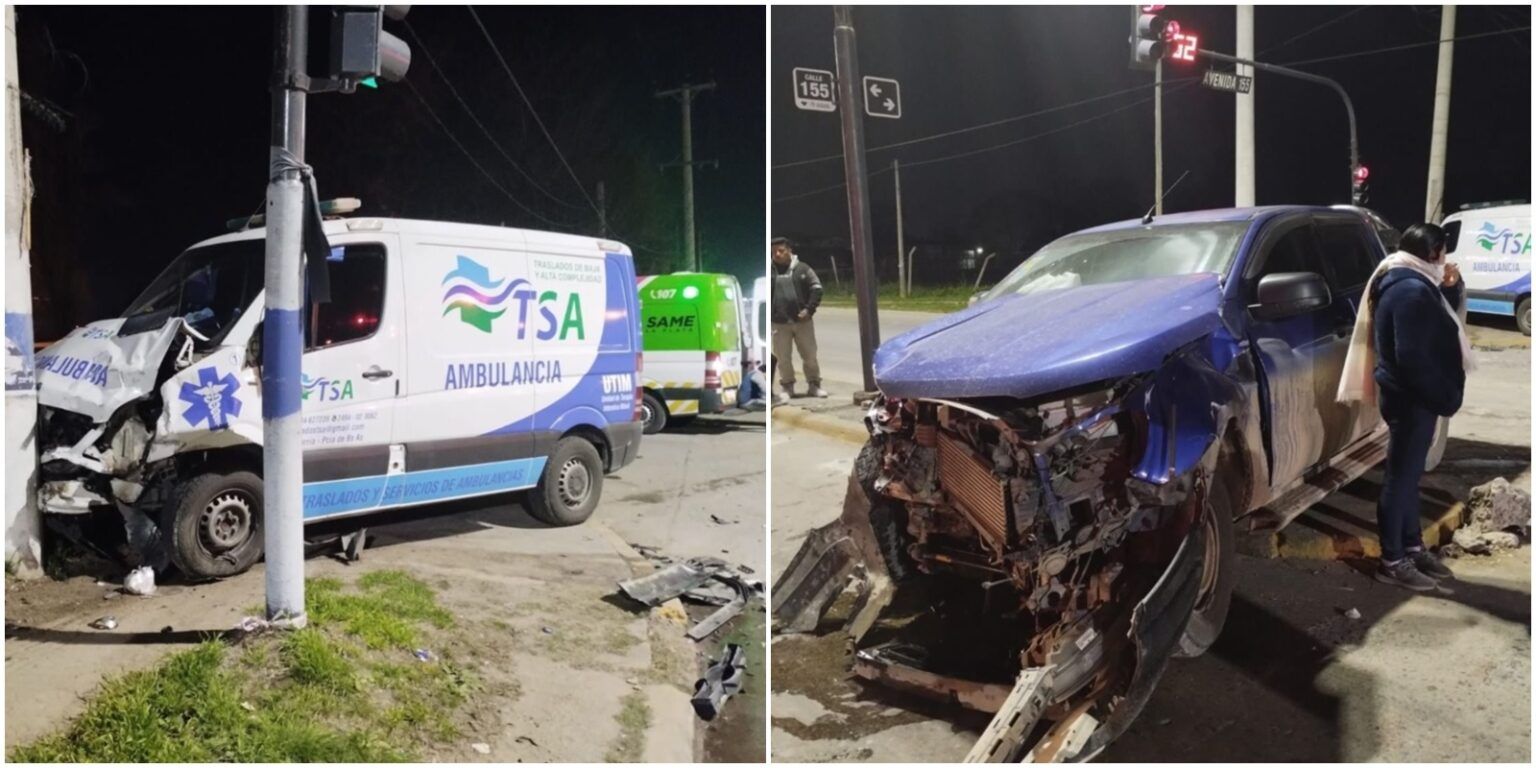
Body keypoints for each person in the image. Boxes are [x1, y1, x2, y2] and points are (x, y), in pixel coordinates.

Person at [1337, 222, 1475, 591]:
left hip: (1410, 395)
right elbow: (1413, 357)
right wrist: (1441, 395)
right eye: (1443, 252)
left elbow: (1446, 313)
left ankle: (1412, 548)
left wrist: (1451, 286)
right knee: (1400, 479)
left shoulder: (1409, 280)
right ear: (1433, 253)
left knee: (1410, 476)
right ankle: (1392, 560)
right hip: (1412, 398)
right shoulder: (1410, 292)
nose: (1445, 260)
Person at [771, 237, 826, 402]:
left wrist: (809, 309)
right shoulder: (769, 271)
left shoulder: (803, 269)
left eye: (780, 251)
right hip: (779, 323)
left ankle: (814, 385)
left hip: (803, 322)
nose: (777, 254)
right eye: (773, 252)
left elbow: (817, 288)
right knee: (783, 358)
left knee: (809, 355)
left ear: (789, 251)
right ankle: (788, 386)